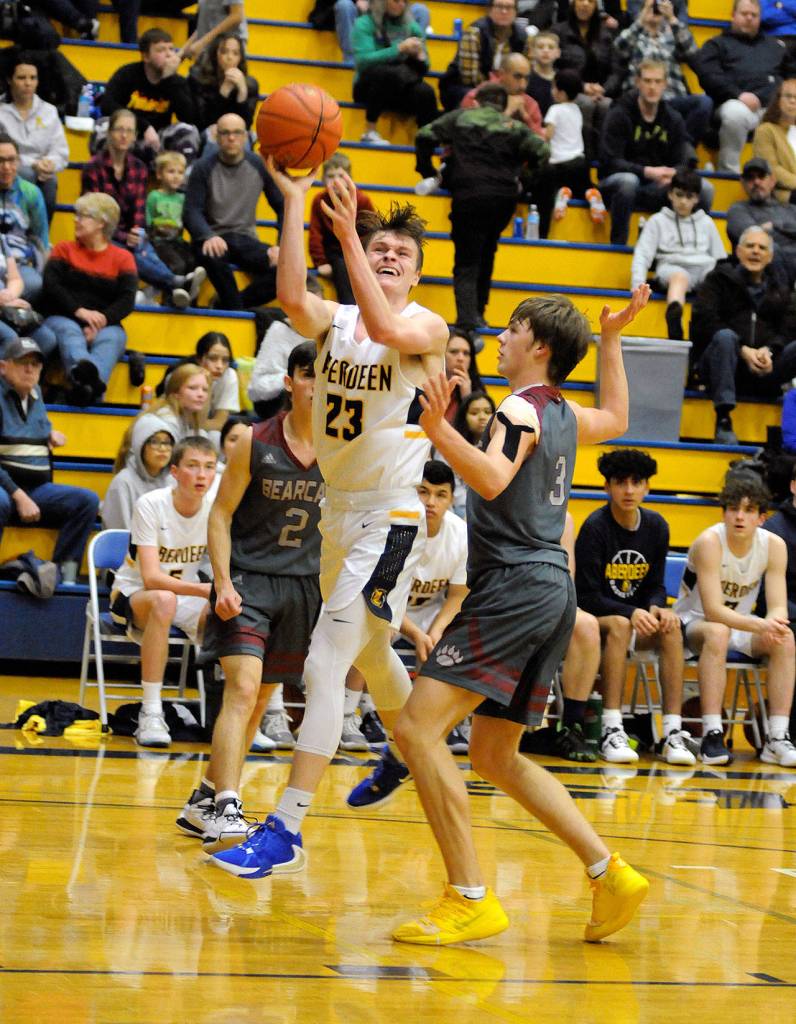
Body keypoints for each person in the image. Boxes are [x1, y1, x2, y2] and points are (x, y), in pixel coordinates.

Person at [386, 283, 651, 946]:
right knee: (495, 754)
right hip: (553, 593)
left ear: (537, 347)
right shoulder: (562, 411)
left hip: (514, 587)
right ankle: (608, 869)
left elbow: (494, 479)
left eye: (510, 329)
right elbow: (617, 414)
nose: (499, 339)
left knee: (417, 732)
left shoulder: (518, 409)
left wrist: (438, 430)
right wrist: (611, 338)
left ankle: (468, 895)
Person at [207, 158, 449, 879]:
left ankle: (285, 830)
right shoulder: (338, 320)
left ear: (416, 273)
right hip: (338, 515)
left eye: (400, 254)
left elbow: (380, 316)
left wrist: (346, 235)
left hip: (393, 518)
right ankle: (408, 749)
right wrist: (293, 200)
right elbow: (288, 293)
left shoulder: (423, 325)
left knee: (325, 662)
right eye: (380, 248)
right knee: (374, 655)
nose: (388, 256)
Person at [177, 342, 325, 850]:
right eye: (308, 375)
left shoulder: (343, 447)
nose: (316, 384)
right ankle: (226, 808)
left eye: (325, 375)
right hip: (249, 579)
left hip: (303, 587)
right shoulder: (255, 443)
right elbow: (219, 515)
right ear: (290, 382)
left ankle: (204, 798)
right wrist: (221, 582)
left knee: (261, 697)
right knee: (241, 689)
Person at [346, 459, 469, 809]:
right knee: (375, 634)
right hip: (386, 606)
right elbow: (380, 592)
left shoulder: (460, 534)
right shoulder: (396, 526)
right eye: (424, 492)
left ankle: (442, 726)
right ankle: (349, 718)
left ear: (450, 500)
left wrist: (437, 630)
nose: (431, 501)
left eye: (440, 495)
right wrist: (416, 633)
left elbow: (458, 596)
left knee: (454, 643)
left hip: (430, 612)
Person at [575, 448, 694, 767]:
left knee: (671, 628)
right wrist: (631, 612)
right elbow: (585, 595)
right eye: (620, 482)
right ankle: (611, 728)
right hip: (593, 625)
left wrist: (657, 607)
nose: (628, 490)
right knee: (620, 624)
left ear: (647, 488)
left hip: (635, 621)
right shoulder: (595, 527)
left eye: (636, 482)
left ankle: (672, 732)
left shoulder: (657, 526)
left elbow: (655, 585)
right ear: (607, 487)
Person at [673, 471, 796, 767]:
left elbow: (778, 605)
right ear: (724, 512)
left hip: (740, 623)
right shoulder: (709, 542)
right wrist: (760, 624)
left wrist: (775, 623)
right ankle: (713, 733)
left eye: (749, 510)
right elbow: (714, 610)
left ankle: (777, 737)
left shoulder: (774, 546)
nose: (740, 517)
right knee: (717, 631)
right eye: (733, 509)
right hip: (694, 622)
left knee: (785, 639)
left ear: (761, 518)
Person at [414, 83, 548, 337]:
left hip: (469, 194)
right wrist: (524, 181)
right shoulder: (513, 127)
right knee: (488, 251)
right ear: (503, 104)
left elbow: (424, 135)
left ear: (476, 101)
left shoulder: (461, 118)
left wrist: (428, 172)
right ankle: (480, 313)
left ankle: (467, 324)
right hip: (503, 198)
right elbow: (542, 150)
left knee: (466, 260)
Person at [109, 436, 217, 747]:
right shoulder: (151, 504)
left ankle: (224, 713)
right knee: (164, 600)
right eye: (193, 466)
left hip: (183, 595)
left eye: (209, 467)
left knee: (229, 611)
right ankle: (151, 713)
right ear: (174, 471)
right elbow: (152, 577)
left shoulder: (215, 510)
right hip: (135, 593)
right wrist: (201, 589)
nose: (201, 475)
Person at [0, 336, 99, 584]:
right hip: (7, 490)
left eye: (35, 364)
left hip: (37, 489)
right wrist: (19, 495)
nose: (30, 369)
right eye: (23, 362)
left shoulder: (34, 394)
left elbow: (31, 427)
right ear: (4, 367)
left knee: (86, 501)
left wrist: (49, 433)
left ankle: (63, 577)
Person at [83, 109, 204, 309]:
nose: (124, 135)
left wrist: (136, 232)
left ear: (135, 136)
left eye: (129, 131)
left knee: (142, 247)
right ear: (110, 132)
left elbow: (139, 209)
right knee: (128, 254)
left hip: (130, 235)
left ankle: (175, 286)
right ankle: (175, 283)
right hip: (101, 233)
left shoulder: (138, 167)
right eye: (119, 129)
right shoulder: (93, 168)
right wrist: (124, 236)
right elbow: (96, 213)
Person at [690, 226, 796, 445]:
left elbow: (788, 328)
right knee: (725, 337)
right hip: (724, 366)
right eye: (750, 246)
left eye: (761, 248)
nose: (755, 251)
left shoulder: (780, 289)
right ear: (738, 251)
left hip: (766, 367)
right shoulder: (717, 280)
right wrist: (743, 350)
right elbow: (704, 321)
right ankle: (723, 420)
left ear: (770, 256)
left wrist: (770, 352)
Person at [598, 59, 713, 246]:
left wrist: (674, 175)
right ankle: (618, 246)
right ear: (637, 83)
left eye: (658, 82)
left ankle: (692, 247)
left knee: (705, 189)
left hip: (656, 185)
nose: (652, 87)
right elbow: (609, 161)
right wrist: (646, 171)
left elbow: (682, 160)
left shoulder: (672, 118)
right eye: (648, 81)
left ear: (665, 85)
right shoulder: (619, 113)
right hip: (616, 184)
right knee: (628, 181)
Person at [40, 193, 137, 407]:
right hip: (62, 316)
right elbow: (51, 287)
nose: (76, 220)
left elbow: (127, 299)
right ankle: (92, 390)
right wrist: (80, 312)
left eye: (83, 216)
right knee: (71, 333)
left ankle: (82, 388)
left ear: (101, 223)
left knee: (112, 339)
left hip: (106, 323)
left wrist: (101, 320)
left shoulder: (123, 258)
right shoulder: (64, 249)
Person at [184, 112, 284, 311]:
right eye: (226, 133)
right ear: (216, 136)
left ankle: (227, 305)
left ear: (246, 136)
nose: (231, 138)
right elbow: (191, 211)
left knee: (286, 270)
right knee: (212, 255)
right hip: (213, 238)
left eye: (237, 133)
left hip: (245, 239)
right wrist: (207, 235)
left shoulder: (258, 165)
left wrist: (282, 247)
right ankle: (235, 310)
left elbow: (283, 207)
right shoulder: (203, 167)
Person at [630, 166, 726, 340]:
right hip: (671, 266)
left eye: (689, 197)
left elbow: (720, 257)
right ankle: (674, 314)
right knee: (679, 277)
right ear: (670, 194)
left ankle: (707, 325)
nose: (683, 201)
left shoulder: (706, 222)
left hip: (703, 267)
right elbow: (643, 254)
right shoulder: (657, 221)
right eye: (679, 195)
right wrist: (638, 284)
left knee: (714, 276)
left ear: (697, 198)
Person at [696, 0, 789, 173]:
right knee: (735, 113)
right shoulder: (716, 44)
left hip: (772, 109)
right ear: (733, 15)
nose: (749, 18)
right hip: (735, 104)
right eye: (744, 14)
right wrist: (738, 95)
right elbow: (708, 77)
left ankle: (785, 176)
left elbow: (790, 77)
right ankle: (729, 171)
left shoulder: (776, 47)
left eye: (754, 15)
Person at [608, 0, 712, 148]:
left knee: (704, 103)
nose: (654, 12)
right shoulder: (634, 34)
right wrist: (640, 21)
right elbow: (618, 50)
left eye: (657, 9)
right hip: (640, 101)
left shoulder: (673, 34)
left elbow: (693, 53)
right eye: (650, 8)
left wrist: (672, 20)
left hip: (672, 99)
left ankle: (682, 148)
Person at [352, 0, 439, 144]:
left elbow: (426, 65)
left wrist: (420, 57)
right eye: (396, 1)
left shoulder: (411, 26)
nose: (401, 5)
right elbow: (363, 62)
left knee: (426, 92)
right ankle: (370, 131)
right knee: (387, 73)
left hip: (400, 84)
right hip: (368, 87)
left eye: (404, 2)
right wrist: (399, 49)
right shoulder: (365, 23)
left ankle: (426, 142)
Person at [99, 28, 197, 152]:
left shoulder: (176, 81)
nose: (169, 54)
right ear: (146, 56)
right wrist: (144, 126)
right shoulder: (128, 74)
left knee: (187, 131)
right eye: (161, 50)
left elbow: (188, 117)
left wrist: (169, 79)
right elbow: (107, 105)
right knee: (102, 125)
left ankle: (178, 171)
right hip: (128, 132)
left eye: (171, 49)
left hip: (159, 137)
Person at [536, 68, 606, 237]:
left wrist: (539, 133)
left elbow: (549, 135)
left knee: (553, 182)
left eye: (553, 87)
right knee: (582, 184)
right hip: (580, 161)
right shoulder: (576, 110)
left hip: (559, 162)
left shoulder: (555, 110)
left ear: (560, 92)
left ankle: (561, 194)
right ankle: (590, 195)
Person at [0, 54, 69, 221]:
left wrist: (50, 163)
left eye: (33, 78)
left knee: (50, 182)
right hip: (6, 168)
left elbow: (61, 151)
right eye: (21, 78)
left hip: (41, 173)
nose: (28, 83)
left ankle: (41, 238)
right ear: (10, 80)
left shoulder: (49, 111)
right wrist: (32, 164)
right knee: (27, 173)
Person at [439, 0, 534, 113]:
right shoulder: (474, 32)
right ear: (489, 10)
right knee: (476, 98)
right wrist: (500, 94)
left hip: (507, 88)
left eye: (509, 7)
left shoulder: (523, 37)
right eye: (499, 6)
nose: (504, 11)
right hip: (464, 86)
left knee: (529, 100)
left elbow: (524, 73)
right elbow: (470, 78)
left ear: (516, 12)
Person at [552, 0, 615, 159]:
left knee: (606, 105)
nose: (585, 4)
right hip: (568, 91)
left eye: (591, 1)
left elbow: (617, 70)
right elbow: (553, 68)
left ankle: (603, 160)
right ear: (572, 3)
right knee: (585, 103)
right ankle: (581, 157)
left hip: (599, 91)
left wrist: (604, 88)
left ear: (596, 6)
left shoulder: (606, 34)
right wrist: (580, 87)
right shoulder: (558, 31)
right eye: (581, 0)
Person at [309, 154, 375, 304]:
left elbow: (373, 232)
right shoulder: (319, 200)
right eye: (331, 176)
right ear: (323, 179)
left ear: (349, 178)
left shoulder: (362, 200)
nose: (336, 180)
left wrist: (366, 258)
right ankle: (349, 305)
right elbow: (315, 233)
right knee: (341, 264)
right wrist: (320, 262)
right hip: (334, 252)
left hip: (359, 248)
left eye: (341, 175)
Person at [762, 461, 796, 740]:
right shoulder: (775, 530)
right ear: (794, 486)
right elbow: (771, 593)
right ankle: (788, 731)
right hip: (780, 613)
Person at [727, 157, 796, 285]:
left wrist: (774, 226)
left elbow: (762, 231)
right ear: (742, 182)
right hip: (763, 278)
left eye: (761, 176)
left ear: (772, 180)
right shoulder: (738, 210)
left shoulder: (791, 209)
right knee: (769, 249)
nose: (756, 182)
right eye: (750, 178)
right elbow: (752, 237)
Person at [0, 132, 49, 302]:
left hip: (20, 262)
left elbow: (40, 238)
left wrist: (43, 272)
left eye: (11, 160)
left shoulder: (31, 193)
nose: (6, 167)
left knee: (35, 284)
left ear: (18, 161)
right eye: (0, 161)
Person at [102, 417, 175, 530]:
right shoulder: (123, 482)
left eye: (167, 443)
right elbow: (118, 534)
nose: (163, 448)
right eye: (155, 442)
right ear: (140, 445)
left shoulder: (173, 481)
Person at [146, 151, 204, 283]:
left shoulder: (182, 198)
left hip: (177, 241)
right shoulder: (154, 196)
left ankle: (188, 296)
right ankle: (172, 296)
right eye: (171, 172)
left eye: (180, 172)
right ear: (159, 174)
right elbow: (148, 220)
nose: (176, 176)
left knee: (193, 261)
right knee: (178, 265)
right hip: (160, 242)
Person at [188, 32, 259, 133]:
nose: (230, 57)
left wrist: (242, 93)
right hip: (209, 134)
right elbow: (203, 123)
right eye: (224, 52)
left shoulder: (250, 85)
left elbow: (246, 126)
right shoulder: (198, 80)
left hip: (236, 137)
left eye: (235, 53)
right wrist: (223, 93)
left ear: (240, 58)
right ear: (215, 54)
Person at [461, 53, 545, 138]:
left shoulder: (531, 105)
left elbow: (541, 144)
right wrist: (507, 113)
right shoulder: (476, 98)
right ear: (501, 74)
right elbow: (471, 140)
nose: (523, 85)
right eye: (517, 77)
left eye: (526, 78)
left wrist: (525, 116)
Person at [444, 389, 495, 516]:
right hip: (457, 509)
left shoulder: (501, 448)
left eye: (488, 412)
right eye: (474, 412)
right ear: (463, 417)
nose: (482, 417)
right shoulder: (450, 446)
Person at [335, 0, 430, 64]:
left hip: (388, 6)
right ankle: (351, 61)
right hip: (357, 9)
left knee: (421, 11)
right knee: (344, 5)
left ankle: (415, 58)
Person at [753, 79, 796, 202]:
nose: (792, 101)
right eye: (788, 96)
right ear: (778, 100)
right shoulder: (766, 130)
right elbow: (771, 168)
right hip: (783, 195)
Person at [179, 0, 247, 64]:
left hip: (227, 46)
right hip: (208, 48)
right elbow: (204, 26)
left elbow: (237, 16)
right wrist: (181, 53)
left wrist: (202, 42)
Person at [527, 30, 560, 117]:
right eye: (540, 47)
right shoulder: (526, 77)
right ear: (531, 52)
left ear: (558, 53)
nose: (546, 51)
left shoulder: (561, 78)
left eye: (551, 47)